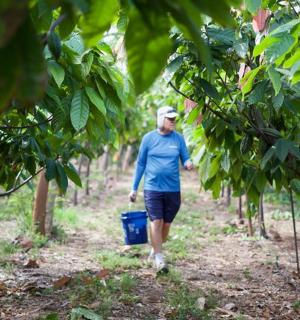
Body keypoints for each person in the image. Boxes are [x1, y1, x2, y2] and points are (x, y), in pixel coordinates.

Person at [129, 106, 193, 273]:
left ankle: (155, 249)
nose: (173, 122)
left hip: (172, 189)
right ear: (160, 119)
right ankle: (159, 258)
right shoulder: (148, 139)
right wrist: (134, 188)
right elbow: (141, 164)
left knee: (166, 224)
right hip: (152, 188)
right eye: (169, 119)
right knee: (156, 221)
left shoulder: (178, 139)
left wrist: (187, 163)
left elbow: (185, 156)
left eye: (174, 119)